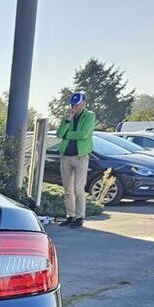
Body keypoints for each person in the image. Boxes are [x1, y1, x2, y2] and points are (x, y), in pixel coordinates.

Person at [56, 92, 96, 228]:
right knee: (67, 189)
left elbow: (84, 134)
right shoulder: (68, 116)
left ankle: (79, 217)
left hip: (81, 156)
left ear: (84, 103)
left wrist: (67, 134)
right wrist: (68, 120)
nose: (74, 107)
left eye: (77, 104)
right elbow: (59, 133)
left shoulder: (90, 116)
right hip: (66, 156)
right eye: (72, 104)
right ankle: (70, 216)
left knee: (78, 188)